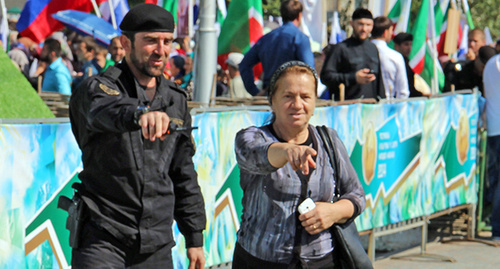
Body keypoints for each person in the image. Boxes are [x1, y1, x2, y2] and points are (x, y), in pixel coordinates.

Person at [69, 4, 206, 268]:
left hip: (156, 244)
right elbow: (104, 109)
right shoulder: (98, 89)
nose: (161, 50)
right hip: (103, 237)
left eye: (167, 41)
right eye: (151, 41)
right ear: (126, 43)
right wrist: (139, 114)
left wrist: (194, 236)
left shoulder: (175, 100)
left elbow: (183, 173)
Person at [233, 61, 366, 268]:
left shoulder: (328, 140)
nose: (297, 104)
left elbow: (356, 195)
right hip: (261, 260)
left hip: (322, 261)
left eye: (305, 97)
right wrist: (287, 150)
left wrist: (333, 212)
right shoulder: (251, 137)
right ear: (272, 101)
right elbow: (256, 156)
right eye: (288, 96)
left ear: (314, 103)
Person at [239, 0, 314, 96]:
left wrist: (255, 92)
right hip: (292, 96)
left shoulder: (266, 38)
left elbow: (244, 65)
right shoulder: (300, 38)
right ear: (299, 16)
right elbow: (309, 70)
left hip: (270, 94)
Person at [321, 8, 385, 101]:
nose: (364, 29)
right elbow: (326, 77)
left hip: (370, 109)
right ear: (351, 23)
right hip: (346, 108)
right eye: (360, 24)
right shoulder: (340, 48)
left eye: (368, 25)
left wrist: (382, 103)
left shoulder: (373, 48)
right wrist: (353, 78)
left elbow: (379, 81)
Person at [483, 52, 500, 242]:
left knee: (495, 181)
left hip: (494, 129)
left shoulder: (490, 63)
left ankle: (496, 228)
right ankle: (497, 229)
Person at [371, 16, 409, 99]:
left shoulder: (362, 52)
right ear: (386, 32)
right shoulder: (395, 57)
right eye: (391, 30)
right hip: (388, 105)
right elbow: (403, 91)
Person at [393, 32, 424, 97]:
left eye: (410, 44)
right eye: (406, 44)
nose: (409, 48)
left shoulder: (408, 63)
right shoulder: (393, 62)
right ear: (397, 46)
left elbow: (410, 86)